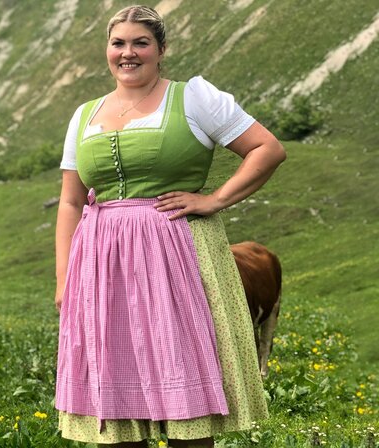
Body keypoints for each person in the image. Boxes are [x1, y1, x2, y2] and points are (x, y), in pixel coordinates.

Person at [53, 5, 286, 448]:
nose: (128, 53)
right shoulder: (84, 115)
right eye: (118, 43)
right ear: (107, 50)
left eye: (140, 43)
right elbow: (70, 201)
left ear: (161, 50)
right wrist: (65, 278)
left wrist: (215, 199)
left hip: (177, 260)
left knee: (187, 406)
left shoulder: (194, 98)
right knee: (116, 410)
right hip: (103, 267)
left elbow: (267, 149)